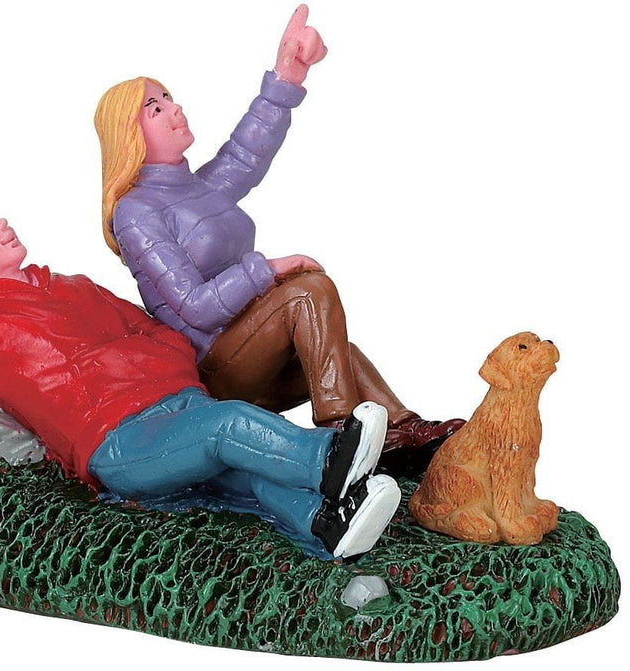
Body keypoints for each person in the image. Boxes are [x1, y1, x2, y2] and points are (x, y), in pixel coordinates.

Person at [0, 200, 402, 560]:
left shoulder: (74, 286)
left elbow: (154, 331)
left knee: (246, 470)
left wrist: (157, 366)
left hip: (176, 402)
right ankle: (328, 459)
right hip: (118, 441)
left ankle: (327, 524)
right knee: (228, 427)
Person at [94, 6, 463, 471]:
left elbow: (246, 153)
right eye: (156, 108)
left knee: (338, 354)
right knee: (309, 291)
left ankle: (402, 431)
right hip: (217, 367)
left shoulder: (198, 188)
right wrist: (266, 271)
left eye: (169, 97)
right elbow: (194, 306)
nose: (175, 108)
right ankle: (341, 433)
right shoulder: (135, 212)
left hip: (253, 351)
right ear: (129, 133)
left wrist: (286, 78)